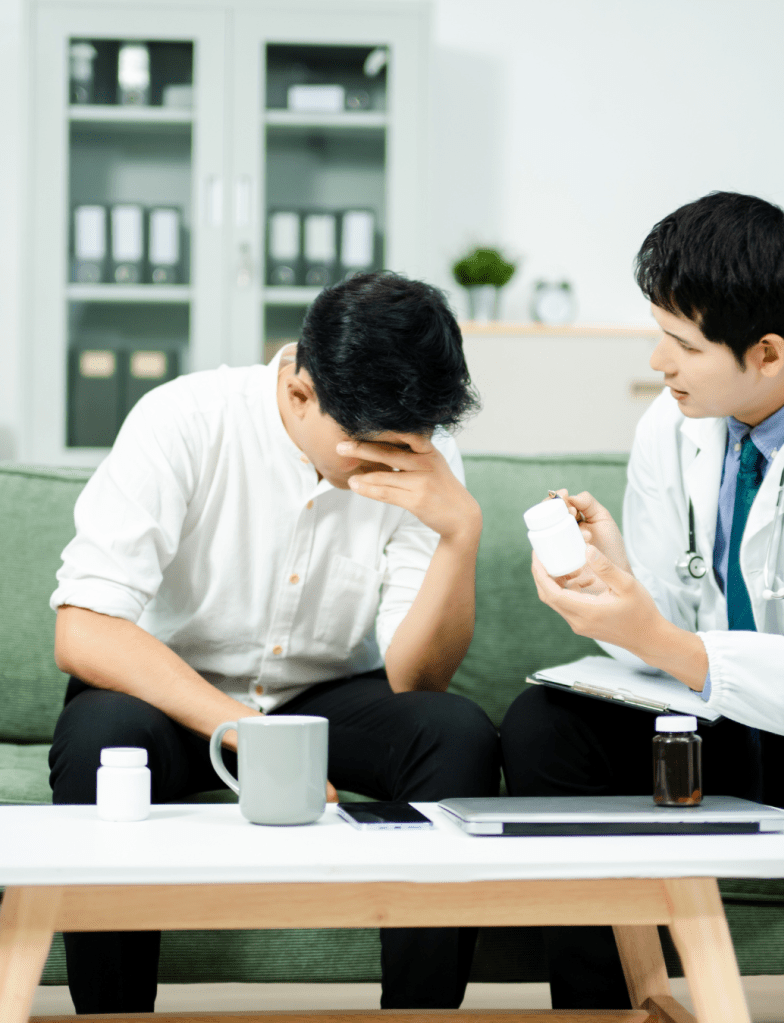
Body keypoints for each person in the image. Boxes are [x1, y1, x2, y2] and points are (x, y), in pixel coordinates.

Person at [49, 271, 500, 1015]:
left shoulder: (425, 455)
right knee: (102, 736)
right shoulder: (184, 419)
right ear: (298, 390)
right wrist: (248, 733)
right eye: (369, 446)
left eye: (412, 445)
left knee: (456, 733)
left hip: (329, 695)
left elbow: (418, 677)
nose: (393, 463)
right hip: (173, 691)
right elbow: (84, 626)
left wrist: (460, 536)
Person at [500, 192, 784, 1009]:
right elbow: (663, 633)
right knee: (547, 729)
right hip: (720, 720)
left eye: (680, 343)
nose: (657, 361)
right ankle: (600, 1007)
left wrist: (665, 640)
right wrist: (617, 586)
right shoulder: (671, 424)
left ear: (768, 351)